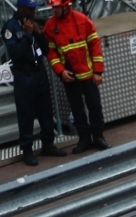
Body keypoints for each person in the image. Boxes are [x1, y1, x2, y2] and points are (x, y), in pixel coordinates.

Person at [3, 0, 66, 166]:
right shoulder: (11, 27)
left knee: (46, 109)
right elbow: (15, 53)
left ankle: (48, 144)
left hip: (39, 72)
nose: (34, 12)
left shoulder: (35, 24)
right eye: (31, 9)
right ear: (22, 9)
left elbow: (45, 50)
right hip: (24, 74)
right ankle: (27, 151)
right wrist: (28, 35)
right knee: (26, 114)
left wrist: (39, 33)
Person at [44, 0, 106, 153]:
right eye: (53, 8)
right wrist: (61, 71)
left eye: (57, 7)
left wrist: (98, 72)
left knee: (95, 107)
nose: (54, 11)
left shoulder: (83, 20)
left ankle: (98, 137)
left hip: (88, 74)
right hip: (69, 75)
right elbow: (51, 53)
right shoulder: (50, 26)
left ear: (66, 6)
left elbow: (95, 46)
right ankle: (84, 139)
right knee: (77, 109)